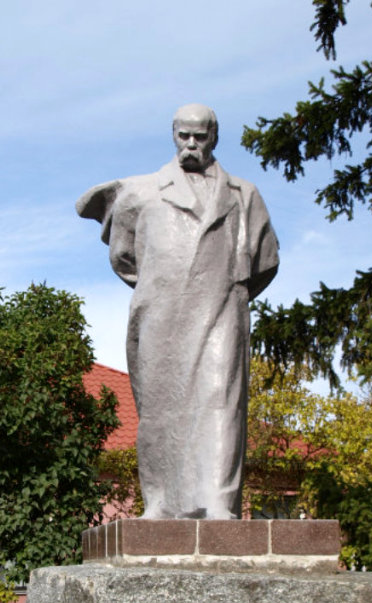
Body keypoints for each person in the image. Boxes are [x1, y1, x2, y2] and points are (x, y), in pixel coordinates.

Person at [76, 104, 279, 519]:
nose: (191, 144)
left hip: (223, 308)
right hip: (161, 313)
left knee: (222, 401)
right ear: (173, 135)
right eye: (184, 135)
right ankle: (160, 504)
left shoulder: (244, 195)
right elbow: (124, 258)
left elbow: (265, 262)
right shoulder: (142, 192)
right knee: (159, 407)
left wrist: (224, 287)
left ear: (214, 138)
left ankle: (220, 503)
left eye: (200, 136)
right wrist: (164, 285)